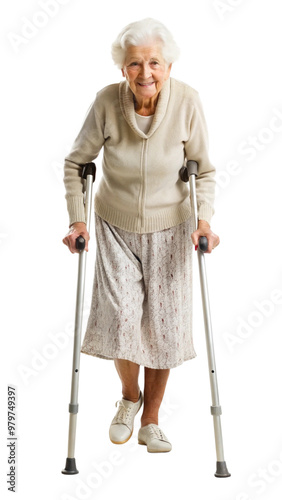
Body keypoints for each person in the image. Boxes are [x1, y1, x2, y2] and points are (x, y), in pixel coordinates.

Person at [62, 18, 220, 453]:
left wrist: (203, 221)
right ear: (122, 69)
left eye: (154, 62)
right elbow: (77, 163)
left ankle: (151, 419)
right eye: (135, 64)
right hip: (115, 225)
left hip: (172, 228)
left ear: (168, 65)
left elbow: (202, 170)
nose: (145, 73)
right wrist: (78, 221)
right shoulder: (107, 103)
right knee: (121, 322)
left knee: (165, 327)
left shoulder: (188, 101)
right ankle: (130, 399)